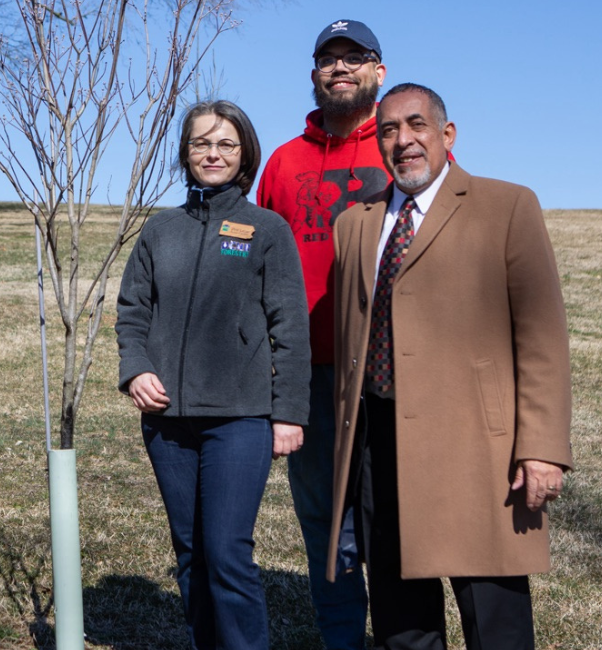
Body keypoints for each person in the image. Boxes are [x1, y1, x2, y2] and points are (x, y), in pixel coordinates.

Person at [328, 83, 572, 650]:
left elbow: (542, 336)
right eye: (389, 130)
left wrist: (541, 448)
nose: (403, 140)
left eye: (416, 125)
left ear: (447, 134)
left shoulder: (507, 206)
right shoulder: (355, 224)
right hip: (379, 444)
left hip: (477, 449)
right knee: (400, 621)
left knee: (495, 622)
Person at [116, 100, 311, 650]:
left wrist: (290, 413)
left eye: (226, 144)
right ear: (186, 152)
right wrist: (136, 370)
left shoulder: (266, 229)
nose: (213, 153)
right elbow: (132, 311)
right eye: (201, 143)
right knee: (192, 554)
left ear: (244, 153)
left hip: (240, 419)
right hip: (167, 420)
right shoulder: (160, 230)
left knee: (227, 553)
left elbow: (291, 327)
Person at [255, 18, 388, 649]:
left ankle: (402, 635)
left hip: (389, 371)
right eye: (328, 58)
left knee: (392, 513)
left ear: (378, 71)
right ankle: (342, 639)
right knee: (324, 517)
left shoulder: (402, 149)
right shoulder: (284, 162)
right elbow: (255, 262)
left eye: (353, 56)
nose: (340, 67)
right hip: (306, 373)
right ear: (313, 74)